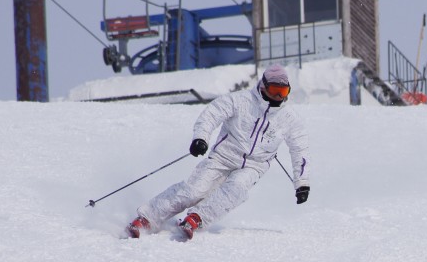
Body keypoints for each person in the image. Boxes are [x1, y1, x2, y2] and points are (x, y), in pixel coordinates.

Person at [125, 64, 310, 239]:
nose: (278, 96)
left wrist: (301, 183)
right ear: (263, 86)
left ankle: (196, 218)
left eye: (283, 92)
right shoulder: (240, 100)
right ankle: (147, 218)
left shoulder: (289, 118)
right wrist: (201, 138)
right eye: (274, 90)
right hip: (223, 157)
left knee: (236, 190)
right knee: (193, 191)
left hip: (255, 165)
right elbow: (211, 115)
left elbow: (299, 150)